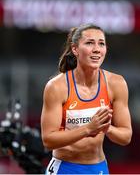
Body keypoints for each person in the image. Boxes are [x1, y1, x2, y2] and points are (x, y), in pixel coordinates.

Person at [41, 24, 132, 174]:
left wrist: (107, 128)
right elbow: (48, 140)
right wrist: (89, 128)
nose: (97, 49)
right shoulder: (57, 87)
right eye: (89, 43)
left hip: (98, 168)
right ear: (75, 49)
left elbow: (126, 136)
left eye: (101, 43)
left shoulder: (116, 83)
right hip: (65, 168)